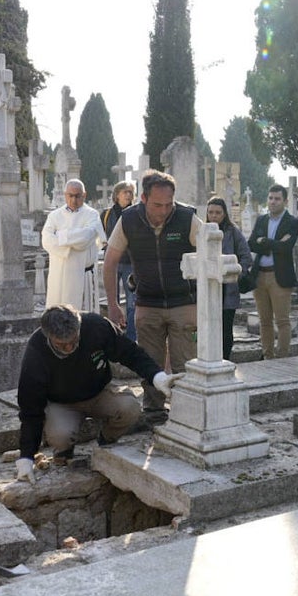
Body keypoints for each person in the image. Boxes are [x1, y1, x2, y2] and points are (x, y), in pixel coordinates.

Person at [14, 305, 182, 479]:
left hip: (98, 393)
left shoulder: (95, 326)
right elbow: (29, 407)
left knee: (130, 408)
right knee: (59, 435)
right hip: (61, 403)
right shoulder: (36, 350)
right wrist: (26, 457)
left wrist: (157, 377)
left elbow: (131, 353)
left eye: (74, 341)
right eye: (61, 345)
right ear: (48, 337)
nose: (69, 348)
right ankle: (64, 450)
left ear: (79, 327)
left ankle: (106, 440)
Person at [102, 170, 200, 414]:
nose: (164, 210)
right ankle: (154, 411)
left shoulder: (187, 218)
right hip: (147, 302)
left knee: (184, 365)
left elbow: (210, 254)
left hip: (183, 302)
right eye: (157, 205)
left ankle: (184, 413)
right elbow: (110, 261)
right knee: (150, 362)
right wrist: (114, 305)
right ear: (143, 199)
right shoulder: (129, 219)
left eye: (169, 204)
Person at [248, 184, 298, 359]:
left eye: (277, 198)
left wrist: (264, 241)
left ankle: (282, 356)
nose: (273, 202)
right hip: (259, 276)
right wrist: (273, 243)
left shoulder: (293, 222)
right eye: (270, 198)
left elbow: (286, 247)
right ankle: (267, 355)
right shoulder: (261, 220)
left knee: (282, 321)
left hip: (279, 277)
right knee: (264, 321)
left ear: (285, 201)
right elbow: (251, 244)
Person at [42, 179, 104, 310]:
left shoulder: (92, 215)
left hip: (82, 275)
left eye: (77, 196)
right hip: (58, 274)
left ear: (84, 195)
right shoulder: (54, 216)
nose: (73, 200)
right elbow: (46, 240)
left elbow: (87, 236)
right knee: (57, 315)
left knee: (83, 318)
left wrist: (60, 236)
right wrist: (68, 248)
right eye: (70, 195)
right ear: (65, 195)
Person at [206, 197, 252, 361]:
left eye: (218, 212)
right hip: (207, 288)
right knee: (207, 328)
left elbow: (245, 256)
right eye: (211, 212)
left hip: (227, 289)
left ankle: (225, 359)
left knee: (225, 329)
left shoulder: (233, 232)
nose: (214, 216)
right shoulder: (201, 231)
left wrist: (237, 273)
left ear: (224, 214)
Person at [101, 180, 137, 340]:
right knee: (112, 301)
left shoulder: (136, 214)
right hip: (112, 263)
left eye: (131, 192)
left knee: (132, 302)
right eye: (125, 192)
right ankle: (112, 335)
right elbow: (101, 235)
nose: (128, 195)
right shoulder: (106, 214)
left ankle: (131, 338)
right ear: (117, 195)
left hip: (130, 263)